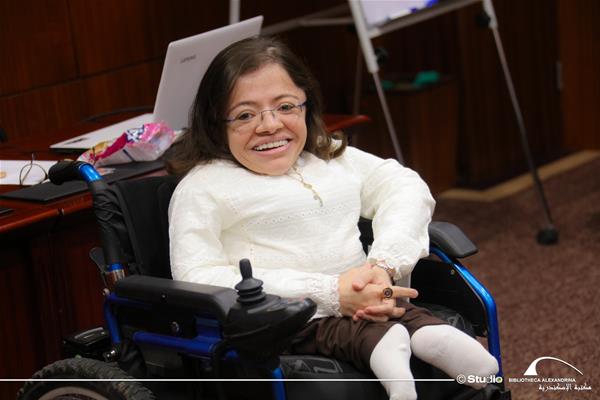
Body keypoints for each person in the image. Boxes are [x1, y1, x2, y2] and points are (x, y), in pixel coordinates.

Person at [167, 36, 498, 399]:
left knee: (403, 315)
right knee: (362, 330)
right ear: (216, 122)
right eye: (246, 115)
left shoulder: (329, 157)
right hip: (285, 320)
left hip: (372, 296)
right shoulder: (204, 187)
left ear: (306, 105)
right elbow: (195, 276)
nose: (269, 125)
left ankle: (437, 343)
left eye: (285, 106)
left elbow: (404, 185)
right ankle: (397, 367)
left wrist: (383, 264)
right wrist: (327, 294)